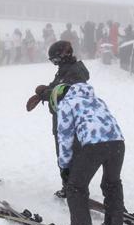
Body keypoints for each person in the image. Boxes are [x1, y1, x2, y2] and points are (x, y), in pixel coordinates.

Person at [50, 83, 127, 225]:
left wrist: (65, 166)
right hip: (118, 143)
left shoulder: (67, 103)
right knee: (112, 182)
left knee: (76, 186)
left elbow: (65, 138)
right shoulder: (97, 100)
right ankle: (114, 224)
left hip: (94, 145)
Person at [25, 40, 89, 198]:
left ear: (65, 55)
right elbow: (56, 86)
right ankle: (68, 186)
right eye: (52, 61)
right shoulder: (64, 69)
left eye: (55, 60)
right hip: (61, 119)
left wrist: (44, 94)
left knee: (69, 154)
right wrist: (45, 90)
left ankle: (74, 188)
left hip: (69, 120)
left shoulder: (75, 71)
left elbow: (62, 91)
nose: (54, 63)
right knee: (63, 154)